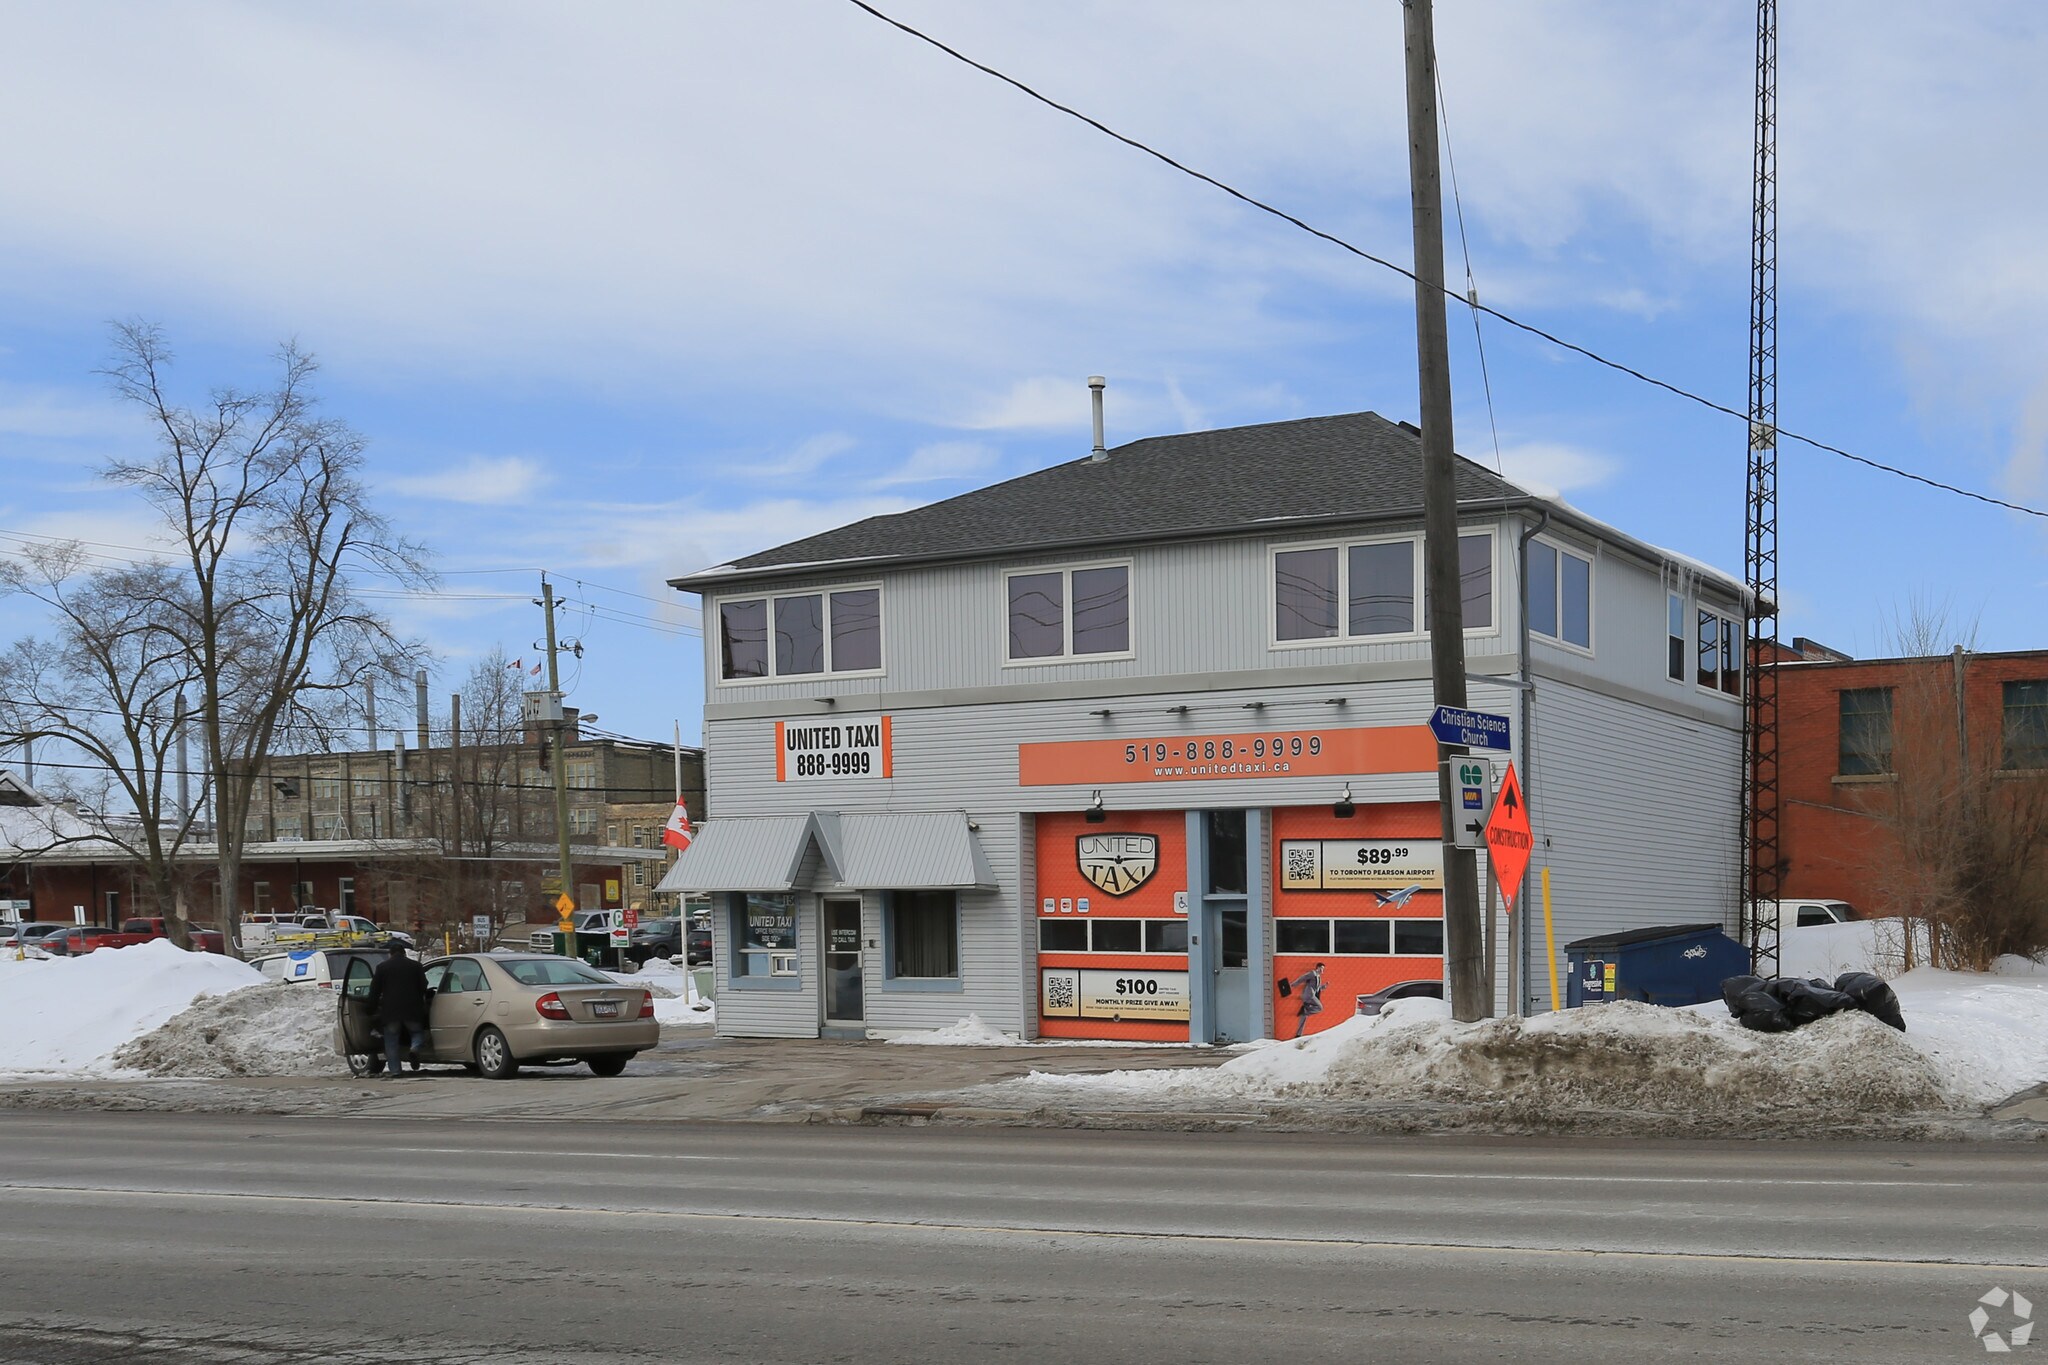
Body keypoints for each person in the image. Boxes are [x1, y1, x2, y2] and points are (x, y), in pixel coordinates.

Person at [366, 941, 431, 1077]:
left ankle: (395, 1071)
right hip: (412, 1009)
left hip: (391, 1012)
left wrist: (370, 1009)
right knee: (417, 1033)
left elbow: (375, 991)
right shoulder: (416, 966)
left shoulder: (382, 968)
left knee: (391, 1041)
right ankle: (414, 1048)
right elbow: (424, 986)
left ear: (390, 954)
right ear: (404, 953)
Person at [1288, 962, 1327, 1038]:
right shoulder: (1312, 974)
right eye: (1322, 968)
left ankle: (1298, 1034)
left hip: (1310, 996)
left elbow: (1317, 989)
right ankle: (1305, 1010)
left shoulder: (1318, 977)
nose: (1323, 971)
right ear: (1318, 968)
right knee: (1319, 1007)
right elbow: (1302, 978)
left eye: (1323, 969)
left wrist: (1323, 987)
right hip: (1309, 996)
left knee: (1304, 1016)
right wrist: (1292, 985)